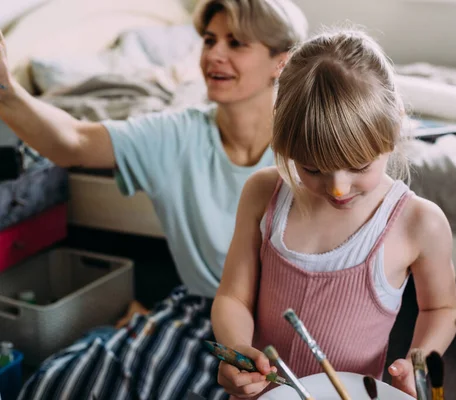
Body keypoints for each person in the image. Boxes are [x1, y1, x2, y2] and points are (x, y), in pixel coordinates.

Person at [0, 1, 308, 399]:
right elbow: (73, 141)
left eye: (237, 43)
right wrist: (6, 92)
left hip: (284, 325)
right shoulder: (176, 133)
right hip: (197, 310)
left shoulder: (307, 146)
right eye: (210, 40)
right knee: (55, 383)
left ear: (280, 62)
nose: (215, 54)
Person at [211, 28, 456, 399]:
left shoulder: (418, 223)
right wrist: (237, 352)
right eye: (312, 169)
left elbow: (441, 307)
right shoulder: (263, 193)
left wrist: (417, 363)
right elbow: (233, 297)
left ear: (394, 128)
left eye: (358, 166)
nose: (338, 188)